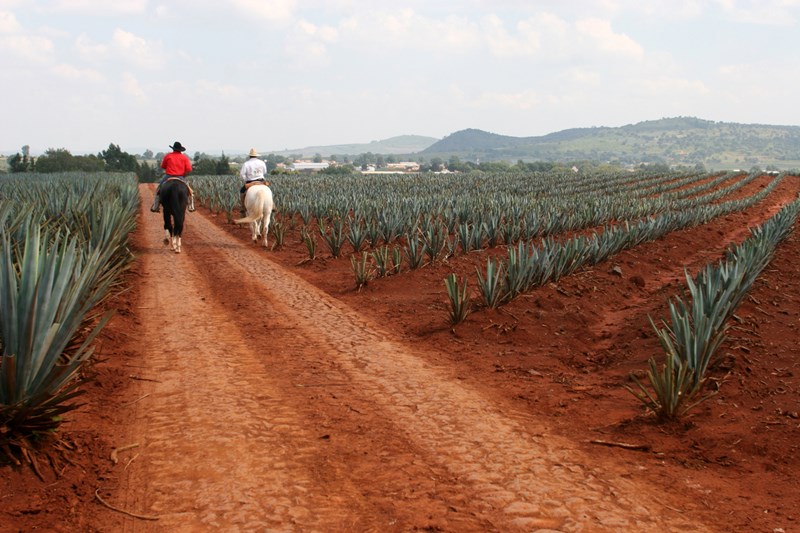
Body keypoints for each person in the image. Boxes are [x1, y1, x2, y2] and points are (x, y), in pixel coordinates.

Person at [151, 141, 195, 212]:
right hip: (180, 177)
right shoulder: (184, 158)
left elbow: (163, 166)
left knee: (159, 189)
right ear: (180, 149)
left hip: (168, 176)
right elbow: (189, 169)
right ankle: (191, 206)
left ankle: (155, 206)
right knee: (190, 191)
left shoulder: (168, 156)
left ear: (173, 149)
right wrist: (184, 175)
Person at [239, 148, 268, 216]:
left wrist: (245, 180)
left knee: (242, 191)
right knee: (268, 191)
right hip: (261, 181)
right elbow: (265, 172)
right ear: (256, 156)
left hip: (250, 182)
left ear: (249, 156)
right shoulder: (262, 162)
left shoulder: (246, 164)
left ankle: (243, 207)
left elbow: (242, 174)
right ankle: (272, 205)